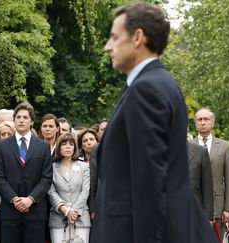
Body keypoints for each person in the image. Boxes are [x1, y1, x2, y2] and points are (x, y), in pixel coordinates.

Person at [91, 3, 217, 242]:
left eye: (115, 37)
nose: (108, 47)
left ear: (138, 37)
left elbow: (150, 183)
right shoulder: (160, 83)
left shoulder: (146, 90)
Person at [0, 102, 53, 243]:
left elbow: (47, 178)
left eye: (25, 117)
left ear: (32, 121)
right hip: (10, 210)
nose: (21, 120)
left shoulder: (43, 147)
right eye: (18, 117)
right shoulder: (1, 146)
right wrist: (15, 199)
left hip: (35, 211)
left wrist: (30, 199)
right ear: (14, 120)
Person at [191, 108, 229, 235]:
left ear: (213, 123)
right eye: (200, 119)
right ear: (196, 123)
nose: (203, 122)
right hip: (194, 205)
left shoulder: (224, 146)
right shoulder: (187, 145)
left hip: (217, 207)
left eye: (206, 119)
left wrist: (228, 209)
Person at [48, 133, 90, 243]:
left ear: (75, 148)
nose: (68, 146)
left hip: (81, 218)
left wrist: (73, 212)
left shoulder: (84, 167)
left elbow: (85, 191)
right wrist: (66, 210)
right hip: (58, 218)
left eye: (71, 144)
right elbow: (51, 191)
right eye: (64, 144)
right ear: (58, 147)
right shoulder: (51, 168)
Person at [187, 141, 214, 221]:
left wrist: (209, 218)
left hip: (194, 212)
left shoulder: (201, 152)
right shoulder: (159, 150)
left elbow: (207, 187)